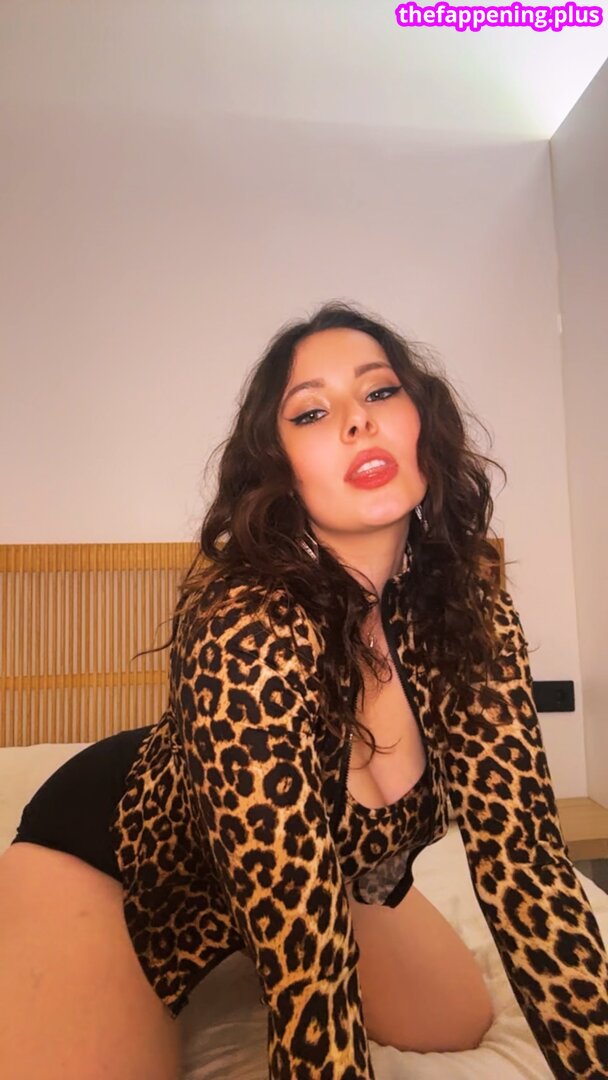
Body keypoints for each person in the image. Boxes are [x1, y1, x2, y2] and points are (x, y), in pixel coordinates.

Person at [1, 300, 607, 1080]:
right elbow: (307, 986)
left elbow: (526, 862)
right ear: (281, 469)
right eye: (313, 412)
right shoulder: (243, 629)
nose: (358, 420)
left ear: (423, 424)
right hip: (122, 859)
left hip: (328, 871)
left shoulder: (467, 612)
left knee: (459, 1022)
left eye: (380, 391)